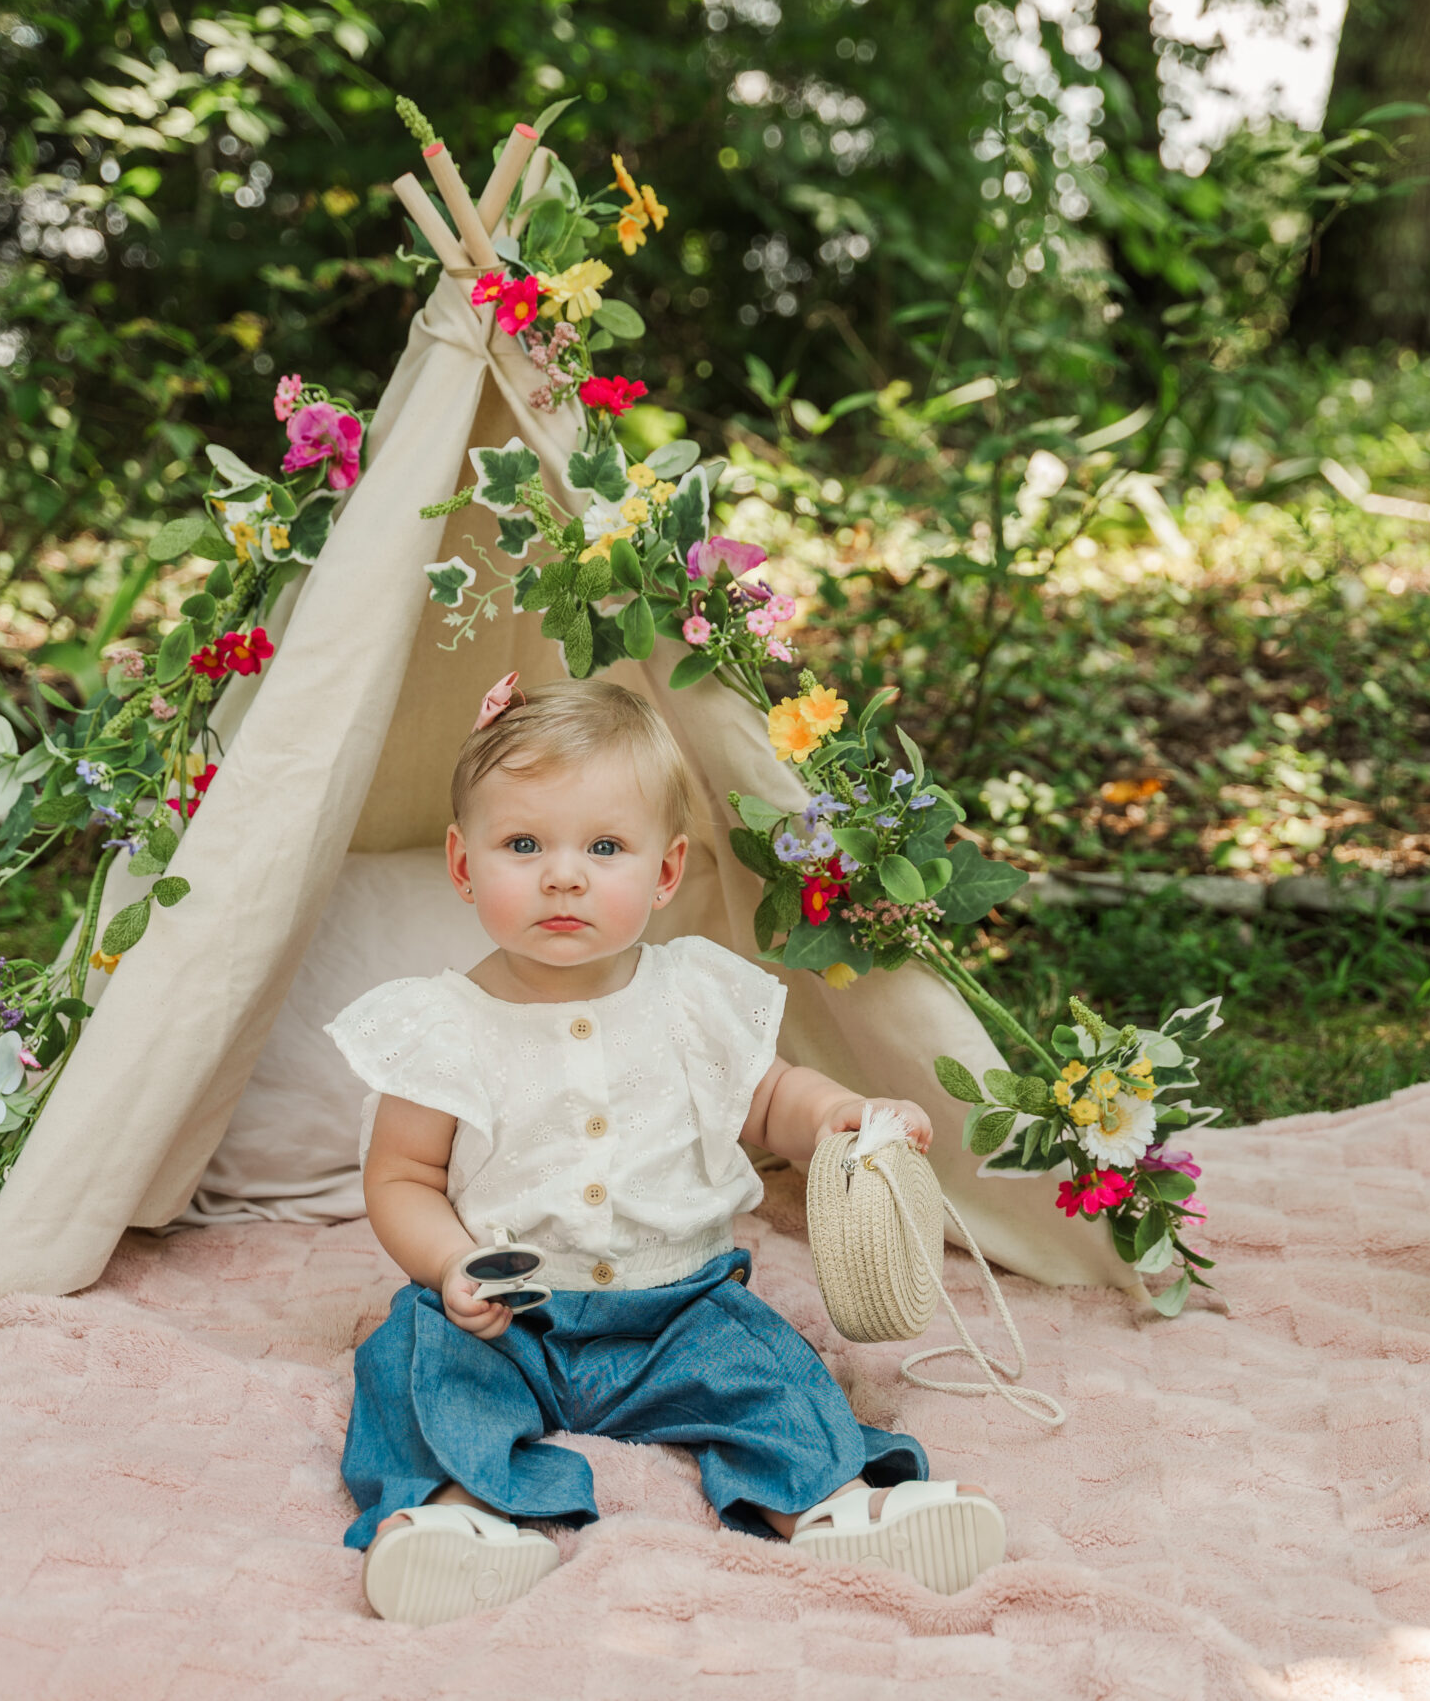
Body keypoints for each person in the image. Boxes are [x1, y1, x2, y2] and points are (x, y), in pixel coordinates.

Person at [327, 676, 1005, 1626]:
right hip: (510, 1315)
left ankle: (832, 1504)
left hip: (681, 1306)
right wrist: (449, 1265)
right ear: (462, 861)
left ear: (666, 870)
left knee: (769, 1366)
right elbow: (400, 1175)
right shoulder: (441, 1024)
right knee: (412, 1359)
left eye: (604, 847)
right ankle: (453, 1516)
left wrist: (839, 1114)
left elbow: (767, 1098)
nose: (563, 875)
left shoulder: (693, 992)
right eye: (524, 845)